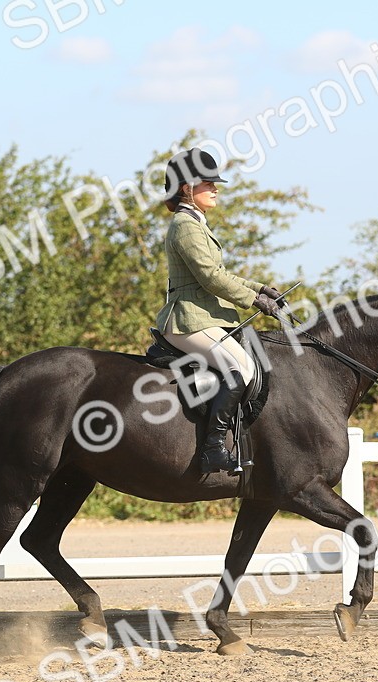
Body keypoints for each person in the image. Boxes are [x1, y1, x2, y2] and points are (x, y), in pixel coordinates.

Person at [155, 148, 282, 474]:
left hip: (203, 318)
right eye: (208, 182)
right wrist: (253, 301)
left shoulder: (196, 222)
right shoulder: (185, 225)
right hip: (188, 320)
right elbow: (211, 278)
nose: (216, 187)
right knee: (239, 368)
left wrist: (258, 289)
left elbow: (219, 272)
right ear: (187, 188)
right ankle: (212, 449)